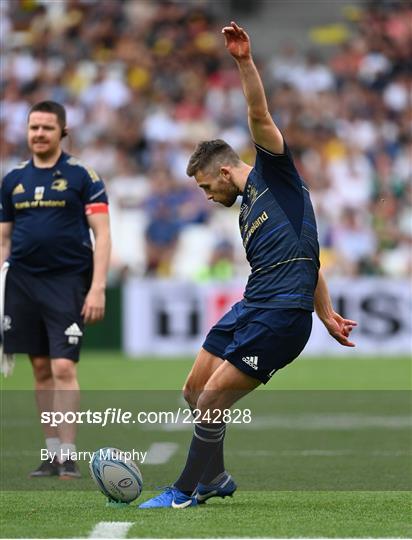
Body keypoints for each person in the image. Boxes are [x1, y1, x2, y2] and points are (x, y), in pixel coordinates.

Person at [139, 22, 357, 509]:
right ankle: (214, 477)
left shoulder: (273, 174)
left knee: (214, 399)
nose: (207, 196)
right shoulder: (249, 214)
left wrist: (243, 61)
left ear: (222, 170)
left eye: (205, 187)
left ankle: (184, 490)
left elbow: (258, 112)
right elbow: (310, 260)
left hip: (280, 317)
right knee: (195, 390)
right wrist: (328, 312)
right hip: (253, 305)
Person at [0, 101, 111, 478]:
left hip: (67, 281)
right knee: (41, 367)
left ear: (62, 132)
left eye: (47, 128)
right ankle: (50, 454)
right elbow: (3, 240)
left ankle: (68, 453)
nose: (39, 134)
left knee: (64, 365)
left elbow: (103, 234)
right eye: (33, 128)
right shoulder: (12, 180)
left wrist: (97, 288)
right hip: (22, 282)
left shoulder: (83, 176)